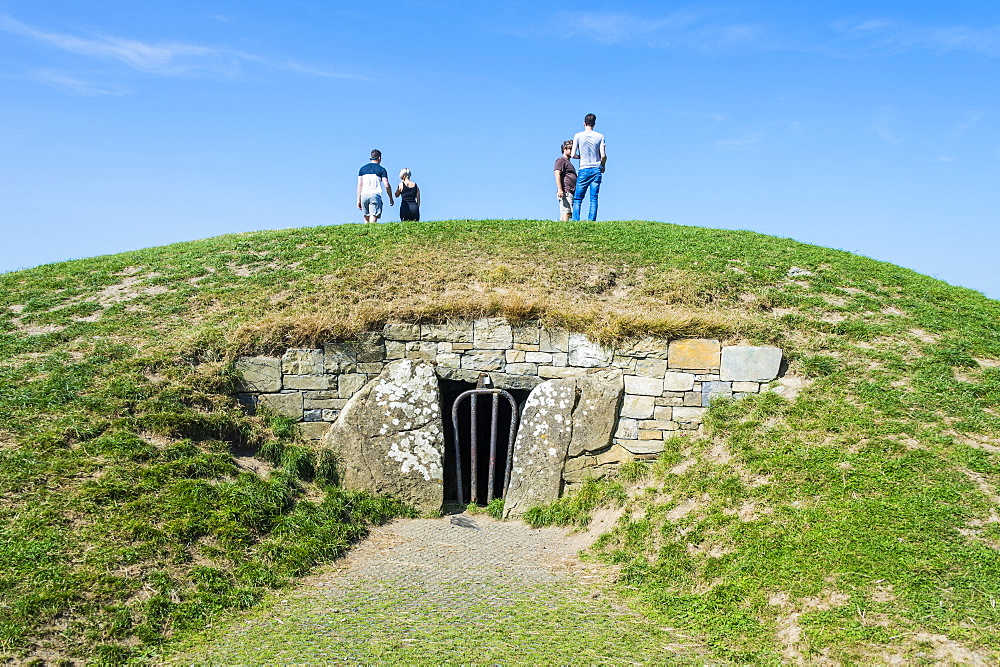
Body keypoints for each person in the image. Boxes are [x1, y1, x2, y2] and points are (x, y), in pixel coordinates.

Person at [571, 113, 607, 221]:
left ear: (584, 123)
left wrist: (581, 157)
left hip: (584, 168)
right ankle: (591, 220)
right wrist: (603, 166)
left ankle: (576, 220)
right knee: (594, 197)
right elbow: (603, 155)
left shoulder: (578, 136)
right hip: (596, 169)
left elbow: (573, 155)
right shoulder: (600, 136)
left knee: (578, 199)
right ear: (594, 124)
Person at [357, 149, 393, 223]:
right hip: (375, 194)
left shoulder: (362, 169)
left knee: (366, 216)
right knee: (373, 216)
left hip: (364, 194)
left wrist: (358, 199)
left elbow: (360, 185)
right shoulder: (382, 169)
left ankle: (366, 233)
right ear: (379, 158)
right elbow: (386, 185)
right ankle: (372, 232)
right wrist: (390, 197)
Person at [553, 140, 576, 222]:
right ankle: (564, 227)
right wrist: (560, 189)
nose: (572, 151)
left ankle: (564, 226)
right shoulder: (561, 160)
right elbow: (557, 173)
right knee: (566, 210)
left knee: (568, 211)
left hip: (570, 190)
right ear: (564, 149)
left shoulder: (568, 162)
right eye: (570, 148)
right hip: (565, 189)